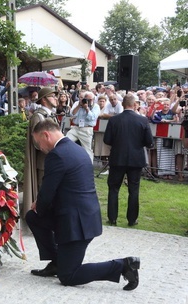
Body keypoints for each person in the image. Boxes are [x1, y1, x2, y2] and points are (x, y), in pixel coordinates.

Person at [25, 119, 140, 291]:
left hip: (76, 226)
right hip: (83, 217)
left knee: (68, 276)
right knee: (33, 217)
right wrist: (39, 208)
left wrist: (39, 205)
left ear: (46, 135)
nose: (39, 147)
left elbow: (48, 192)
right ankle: (57, 261)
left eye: (38, 142)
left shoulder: (56, 155)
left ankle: (123, 265)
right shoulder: (78, 150)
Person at [103, 94, 155, 227]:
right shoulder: (142, 121)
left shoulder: (114, 120)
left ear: (123, 104)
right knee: (134, 189)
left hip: (117, 158)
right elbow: (149, 142)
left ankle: (112, 218)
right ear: (134, 105)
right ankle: (132, 219)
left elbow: (107, 140)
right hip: (135, 158)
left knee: (114, 188)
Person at [22, 87, 58, 216]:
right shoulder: (39, 116)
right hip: (44, 162)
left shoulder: (50, 114)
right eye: (52, 96)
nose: (56, 98)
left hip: (52, 161)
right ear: (44, 100)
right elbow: (37, 143)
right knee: (43, 193)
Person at [67, 91, 100, 163]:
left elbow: (92, 118)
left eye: (90, 99)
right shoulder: (78, 103)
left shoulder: (96, 106)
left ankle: (89, 167)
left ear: (93, 99)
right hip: (75, 128)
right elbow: (72, 114)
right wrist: (79, 105)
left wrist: (87, 109)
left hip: (86, 129)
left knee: (87, 150)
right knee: (65, 141)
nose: (88, 101)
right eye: (86, 99)